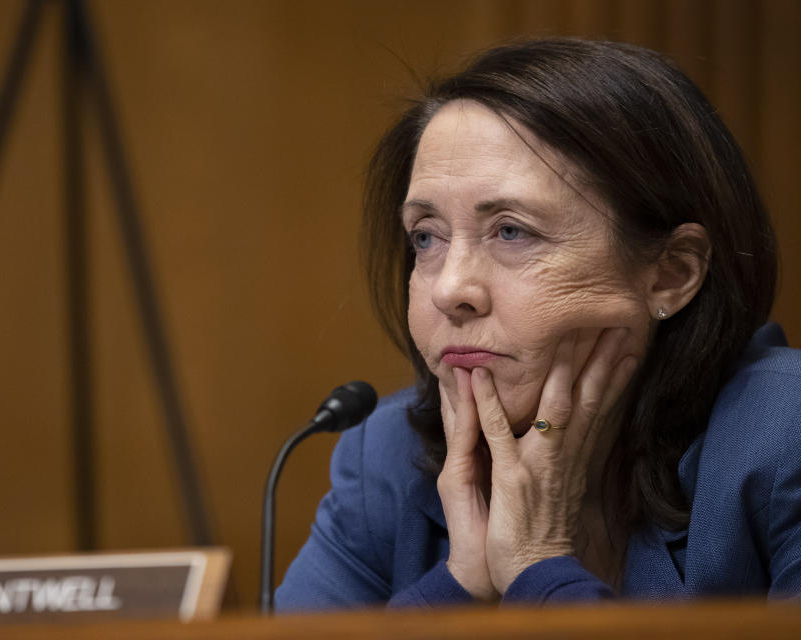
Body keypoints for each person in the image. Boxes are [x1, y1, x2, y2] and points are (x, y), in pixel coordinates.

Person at [275, 38, 799, 609]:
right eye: (426, 237)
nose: (450, 290)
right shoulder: (384, 457)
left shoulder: (783, 433)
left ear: (670, 274)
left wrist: (537, 566)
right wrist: (458, 583)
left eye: (511, 231)